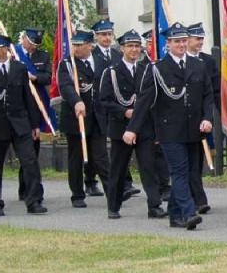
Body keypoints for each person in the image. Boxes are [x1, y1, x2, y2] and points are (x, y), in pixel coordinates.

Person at [128, 22, 214, 230]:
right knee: (179, 171)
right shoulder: (158, 69)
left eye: (184, 40)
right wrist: (132, 128)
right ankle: (188, 212)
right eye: (177, 41)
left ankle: (175, 215)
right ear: (168, 44)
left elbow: (207, 95)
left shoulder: (198, 65)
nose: (182, 45)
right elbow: (144, 100)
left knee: (191, 171)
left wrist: (207, 118)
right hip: (170, 130)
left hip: (194, 129)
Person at [0, 32, 46, 216]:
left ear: (4, 49)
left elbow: (27, 97)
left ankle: (33, 200)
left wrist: (35, 124)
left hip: (20, 123)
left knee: (30, 162)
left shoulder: (18, 68)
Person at [102, 30, 163, 219]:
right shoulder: (111, 72)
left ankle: (154, 205)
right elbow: (104, 101)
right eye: (130, 46)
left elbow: (153, 100)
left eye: (137, 46)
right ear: (122, 48)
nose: (134, 50)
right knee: (118, 168)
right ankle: (113, 205)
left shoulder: (148, 70)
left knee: (148, 167)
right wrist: (124, 111)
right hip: (121, 127)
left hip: (144, 127)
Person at [55, 29, 110, 209]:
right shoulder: (67, 64)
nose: (76, 48)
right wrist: (76, 101)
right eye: (74, 44)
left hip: (97, 116)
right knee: (76, 157)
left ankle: (113, 192)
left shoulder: (100, 61)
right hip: (76, 118)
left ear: (90, 45)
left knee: (101, 156)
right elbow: (65, 86)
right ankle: (77, 194)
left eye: (80, 45)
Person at [13, 27, 53, 202]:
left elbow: (48, 77)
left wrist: (34, 78)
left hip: (37, 106)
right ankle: (28, 189)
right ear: (24, 39)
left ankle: (28, 188)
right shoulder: (13, 53)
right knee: (25, 154)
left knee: (32, 153)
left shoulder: (42, 56)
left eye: (36, 45)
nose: (33, 48)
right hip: (19, 107)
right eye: (31, 43)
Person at [184, 23, 217, 213]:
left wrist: (211, 116)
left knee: (197, 160)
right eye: (197, 39)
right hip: (184, 119)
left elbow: (213, 90)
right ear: (187, 40)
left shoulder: (208, 61)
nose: (200, 43)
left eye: (202, 39)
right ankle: (196, 198)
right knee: (185, 162)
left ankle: (196, 196)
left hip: (203, 116)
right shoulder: (180, 61)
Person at [88, 18, 120, 198]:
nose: (107, 38)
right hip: (98, 106)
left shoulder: (117, 55)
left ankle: (124, 182)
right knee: (97, 147)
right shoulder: (92, 56)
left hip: (116, 106)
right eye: (103, 35)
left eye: (109, 34)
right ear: (96, 37)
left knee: (116, 145)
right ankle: (90, 180)